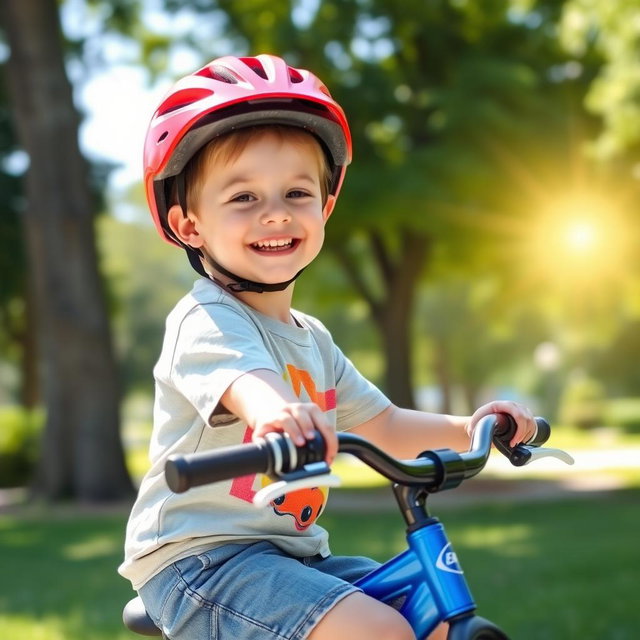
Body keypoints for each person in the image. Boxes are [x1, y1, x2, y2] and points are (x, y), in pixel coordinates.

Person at [119, 54, 537, 640]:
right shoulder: (204, 318)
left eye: (296, 192)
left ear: (325, 207)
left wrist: (473, 426)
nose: (275, 214)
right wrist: (277, 415)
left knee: (429, 617)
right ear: (190, 226)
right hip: (201, 563)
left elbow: (386, 423)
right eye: (243, 198)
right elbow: (243, 381)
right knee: (376, 630)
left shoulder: (312, 338)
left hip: (294, 556)